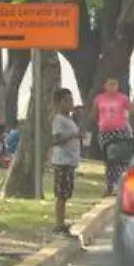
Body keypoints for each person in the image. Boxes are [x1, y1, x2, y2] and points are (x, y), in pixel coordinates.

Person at [92, 77, 134, 195]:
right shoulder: (99, 99)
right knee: (109, 160)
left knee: (121, 159)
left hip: (120, 133)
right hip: (105, 134)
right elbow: (94, 114)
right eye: (110, 84)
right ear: (105, 86)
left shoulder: (122, 98)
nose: (113, 87)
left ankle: (122, 185)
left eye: (115, 84)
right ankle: (110, 185)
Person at [50, 89, 82, 236]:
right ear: (58, 103)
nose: (70, 103)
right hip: (62, 161)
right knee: (61, 195)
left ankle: (62, 222)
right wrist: (73, 135)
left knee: (66, 193)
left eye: (71, 100)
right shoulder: (59, 120)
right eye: (66, 101)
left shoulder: (69, 120)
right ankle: (59, 223)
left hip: (70, 161)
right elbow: (56, 139)